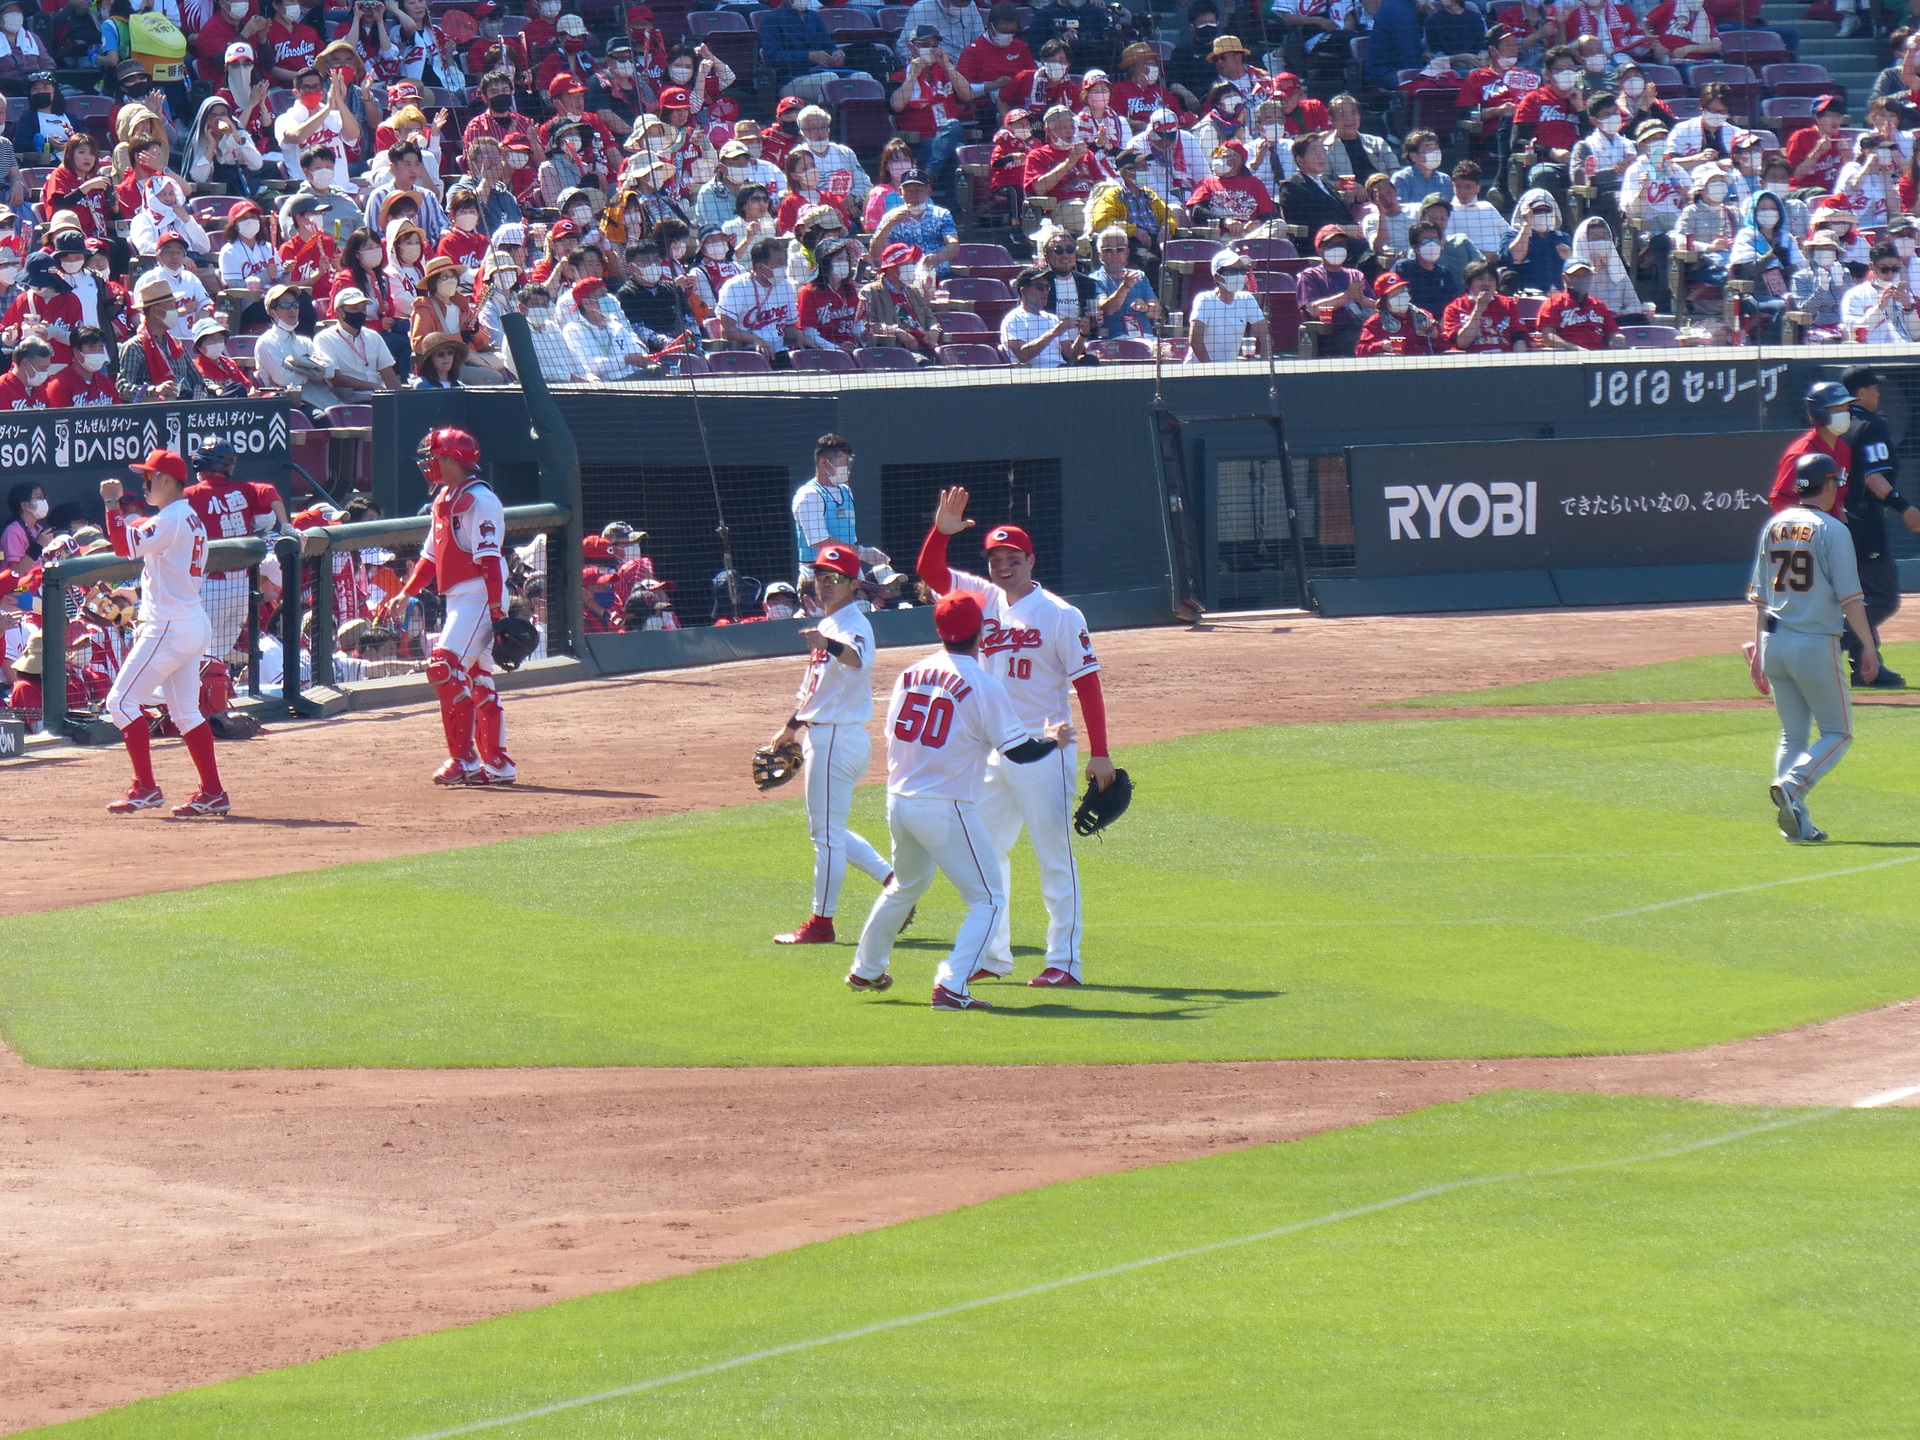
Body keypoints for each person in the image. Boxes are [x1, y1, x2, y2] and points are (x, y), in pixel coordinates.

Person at [914, 486, 1112, 987]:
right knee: (983, 853)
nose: (1003, 566)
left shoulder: (1061, 615)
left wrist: (1101, 754)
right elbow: (931, 574)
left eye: (1012, 558)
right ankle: (994, 955)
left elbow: (1087, 684)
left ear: (1030, 559)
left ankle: (1064, 962)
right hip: (992, 752)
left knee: (1053, 856)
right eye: (995, 558)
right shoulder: (979, 597)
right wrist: (941, 531)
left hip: (1045, 750)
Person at [845, 591, 1075, 1009]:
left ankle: (867, 969)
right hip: (946, 805)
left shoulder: (910, 674)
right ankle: (951, 985)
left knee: (906, 885)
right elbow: (1018, 752)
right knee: (987, 899)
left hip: (899, 799)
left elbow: (894, 736)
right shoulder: (983, 683)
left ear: (939, 630)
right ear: (983, 632)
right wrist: (1053, 740)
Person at [765, 540, 897, 945]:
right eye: (820, 577)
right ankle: (894, 885)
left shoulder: (854, 626)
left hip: (839, 740)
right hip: (826, 735)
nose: (824, 585)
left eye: (834, 578)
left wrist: (830, 646)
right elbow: (816, 690)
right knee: (828, 829)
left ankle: (822, 924)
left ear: (854, 583)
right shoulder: (827, 623)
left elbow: (857, 660)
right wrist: (790, 727)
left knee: (824, 836)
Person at [1749, 453, 1879, 845]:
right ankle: (1793, 785)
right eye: (1836, 481)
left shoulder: (1774, 525)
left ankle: (1799, 826)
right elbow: (1851, 599)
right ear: (1827, 485)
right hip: (1814, 643)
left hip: (1775, 641)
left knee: (1792, 736)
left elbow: (1759, 598)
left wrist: (1758, 650)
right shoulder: (1833, 530)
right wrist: (1869, 648)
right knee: (1838, 732)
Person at [377, 427, 515, 786]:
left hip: (481, 593)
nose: (429, 464)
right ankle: (498, 763)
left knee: (443, 668)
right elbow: (430, 557)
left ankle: (464, 759)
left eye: (435, 457)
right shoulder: (445, 497)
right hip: (461, 595)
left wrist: (497, 614)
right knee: (478, 677)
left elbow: (488, 561)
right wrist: (406, 593)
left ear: (453, 460)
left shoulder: (480, 500)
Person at [98, 451, 231, 817]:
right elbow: (173, 572)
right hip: (189, 619)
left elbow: (124, 547)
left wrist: (111, 502)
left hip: (169, 627)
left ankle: (145, 787)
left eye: (150, 478)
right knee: (186, 711)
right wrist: (138, 594)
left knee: (120, 703)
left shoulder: (172, 516)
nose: (145, 484)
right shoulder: (188, 516)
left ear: (168, 481)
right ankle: (213, 793)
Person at [182, 434, 284, 725]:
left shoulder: (189, 495)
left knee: (198, 653)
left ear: (199, 463)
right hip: (240, 586)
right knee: (216, 655)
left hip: (209, 586)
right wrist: (285, 523)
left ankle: (199, 710)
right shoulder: (245, 489)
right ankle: (214, 706)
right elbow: (271, 493)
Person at [1836, 367, 1920, 688]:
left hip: (1839, 517)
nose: (1878, 393)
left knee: (1858, 594)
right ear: (1861, 393)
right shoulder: (1870, 426)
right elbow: (1873, 477)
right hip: (1864, 521)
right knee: (1883, 596)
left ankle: (1865, 667)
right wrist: (1904, 507)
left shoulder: (1838, 425)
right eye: (1874, 388)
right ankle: (1823, 641)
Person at [1768, 381, 1853, 514]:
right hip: (1808, 531)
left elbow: (1838, 501)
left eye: (1846, 408)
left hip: (1832, 529)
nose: (1845, 414)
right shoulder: (1800, 454)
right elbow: (1779, 502)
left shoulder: (1843, 449)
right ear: (1820, 412)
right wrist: (1809, 523)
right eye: (1838, 409)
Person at [716, 235, 799, 364]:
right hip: (747, 354)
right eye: (778, 262)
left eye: (784, 262)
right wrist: (756, 340)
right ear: (759, 266)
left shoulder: (785, 286)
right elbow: (726, 330)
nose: (783, 267)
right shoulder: (736, 287)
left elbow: (790, 327)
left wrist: (805, 337)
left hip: (780, 352)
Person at [1297, 224, 1368, 357]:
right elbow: (1312, 309)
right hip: (1329, 337)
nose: (1338, 248)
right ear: (1319, 250)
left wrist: (1365, 301)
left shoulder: (1355, 274)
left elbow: (1373, 305)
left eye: (1341, 244)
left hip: (1360, 328)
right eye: (1331, 244)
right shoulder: (1310, 276)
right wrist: (1347, 296)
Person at [1188, 248, 1267, 360]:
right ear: (1217, 277)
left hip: (1229, 372)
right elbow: (1195, 340)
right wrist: (1212, 372)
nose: (1239, 275)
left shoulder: (1247, 299)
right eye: (1233, 271)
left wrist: (1265, 370)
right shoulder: (1205, 299)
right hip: (1198, 372)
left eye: (1241, 271)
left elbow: (1265, 337)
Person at [1001, 264, 1083, 366]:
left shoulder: (1052, 318)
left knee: (1090, 361)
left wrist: (1084, 334)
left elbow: (1071, 356)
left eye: (1047, 287)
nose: (1046, 292)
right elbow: (1022, 356)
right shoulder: (1013, 319)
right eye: (1040, 287)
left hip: (1060, 370)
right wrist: (1053, 333)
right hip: (1032, 376)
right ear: (1023, 291)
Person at [1443, 257, 1528, 351]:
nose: (1486, 283)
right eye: (1481, 279)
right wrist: (1479, 309)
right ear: (1468, 284)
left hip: (1503, 360)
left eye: (1491, 279)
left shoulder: (1507, 304)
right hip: (1471, 361)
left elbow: (1519, 339)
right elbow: (1462, 343)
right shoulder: (1454, 308)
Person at [1841, 241, 1918, 344]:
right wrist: (1879, 309)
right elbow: (1851, 329)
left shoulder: (1903, 294)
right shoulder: (1855, 294)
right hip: (1873, 354)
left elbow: (1916, 335)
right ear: (1872, 266)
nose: (1890, 274)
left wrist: (1909, 310)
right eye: (1884, 269)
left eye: (1895, 269)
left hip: (1905, 351)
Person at [1090, 225, 1159, 338]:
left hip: (1145, 336)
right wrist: (1125, 287)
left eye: (1120, 249)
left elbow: (1156, 311)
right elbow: (1107, 309)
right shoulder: (1094, 279)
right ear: (1099, 255)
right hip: (1114, 340)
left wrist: (1146, 308)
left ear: (1127, 252)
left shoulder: (1139, 276)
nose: (1115, 254)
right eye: (1108, 250)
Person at [1357, 271, 1439, 354]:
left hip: (1425, 364)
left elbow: (1445, 344)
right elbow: (1360, 350)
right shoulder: (1375, 322)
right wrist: (1381, 345)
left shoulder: (1423, 315)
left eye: (1402, 290)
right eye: (1395, 294)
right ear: (1384, 301)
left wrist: (1435, 335)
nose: (1401, 296)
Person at [44, 324, 118, 406]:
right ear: (76, 352)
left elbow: (118, 415)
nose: (98, 353)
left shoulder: (106, 383)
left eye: (101, 348)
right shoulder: (60, 385)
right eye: (92, 348)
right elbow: (58, 417)